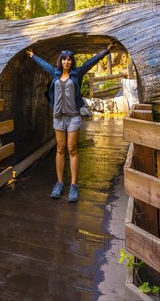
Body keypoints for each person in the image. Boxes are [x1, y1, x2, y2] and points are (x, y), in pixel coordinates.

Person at [26, 44, 114, 202]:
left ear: (72, 62)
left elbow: (91, 61)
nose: (67, 61)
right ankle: (59, 183)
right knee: (60, 149)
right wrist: (33, 56)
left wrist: (106, 51)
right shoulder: (55, 73)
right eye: (64, 59)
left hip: (73, 116)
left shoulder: (77, 73)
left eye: (69, 59)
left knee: (72, 149)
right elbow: (44, 64)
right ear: (61, 61)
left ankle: (74, 185)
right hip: (58, 116)